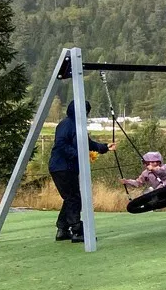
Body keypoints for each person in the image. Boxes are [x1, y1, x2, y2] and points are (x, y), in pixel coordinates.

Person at [48, 100, 116, 243]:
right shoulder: (66, 124)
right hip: (62, 167)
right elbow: (61, 144)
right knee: (73, 198)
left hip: (65, 167)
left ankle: (62, 229)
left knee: (71, 197)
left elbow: (88, 144)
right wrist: (79, 154)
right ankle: (77, 231)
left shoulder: (77, 125)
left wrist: (105, 147)